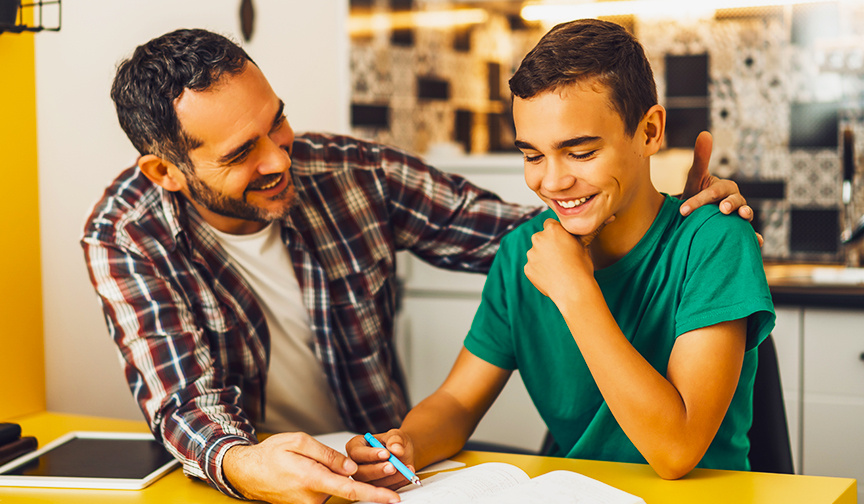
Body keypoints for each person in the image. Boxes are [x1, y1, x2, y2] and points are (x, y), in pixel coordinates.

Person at [82, 28, 754, 504]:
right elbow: (183, 402)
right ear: (164, 171)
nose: (281, 159)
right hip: (260, 474)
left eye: (277, 124)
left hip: (369, 462)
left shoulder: (352, 173)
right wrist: (248, 462)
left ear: (651, 129)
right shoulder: (125, 235)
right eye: (240, 154)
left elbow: (540, 227)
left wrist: (674, 204)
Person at [348, 18, 775, 487]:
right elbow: (458, 402)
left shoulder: (715, 241)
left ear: (650, 131)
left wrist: (575, 288)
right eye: (532, 156)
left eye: (581, 152)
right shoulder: (520, 254)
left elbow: (676, 452)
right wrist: (407, 443)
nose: (551, 182)